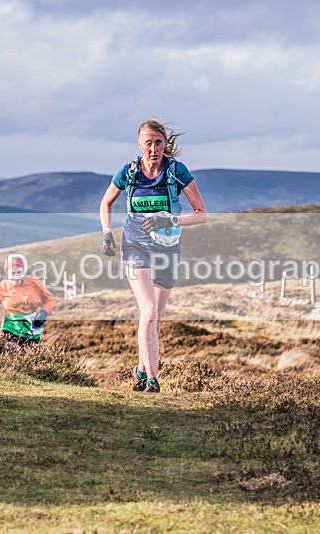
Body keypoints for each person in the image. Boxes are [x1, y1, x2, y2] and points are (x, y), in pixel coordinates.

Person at [99, 119, 208, 393]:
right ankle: (152, 379)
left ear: (165, 144)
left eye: (159, 142)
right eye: (148, 143)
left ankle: (139, 369)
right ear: (139, 144)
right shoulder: (128, 173)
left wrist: (169, 220)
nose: (154, 148)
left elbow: (202, 215)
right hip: (135, 246)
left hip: (168, 249)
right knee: (148, 310)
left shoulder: (176, 172)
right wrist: (107, 232)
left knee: (154, 319)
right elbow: (106, 202)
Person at [0, 257, 57, 347]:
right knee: (14, 350)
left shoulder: (35, 283)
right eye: (13, 273)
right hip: (9, 330)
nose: (16, 276)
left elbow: (50, 299)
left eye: (19, 272)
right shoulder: (1, 288)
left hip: (32, 332)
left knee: (29, 355)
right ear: (7, 273)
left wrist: (44, 313)